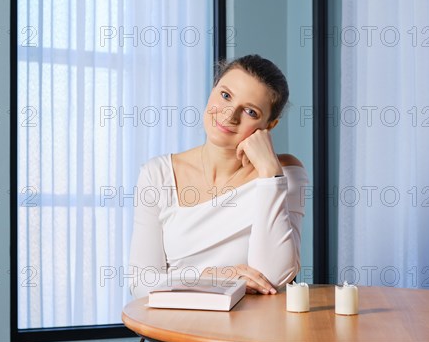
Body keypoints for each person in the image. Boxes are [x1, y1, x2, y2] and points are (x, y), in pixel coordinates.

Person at [128, 54, 308, 299]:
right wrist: (219, 276)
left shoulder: (284, 172)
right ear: (212, 90)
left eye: (250, 111)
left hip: (249, 331)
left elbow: (274, 278)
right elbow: (141, 284)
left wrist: (269, 174)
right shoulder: (157, 174)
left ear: (270, 126)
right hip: (175, 327)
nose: (229, 115)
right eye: (225, 95)